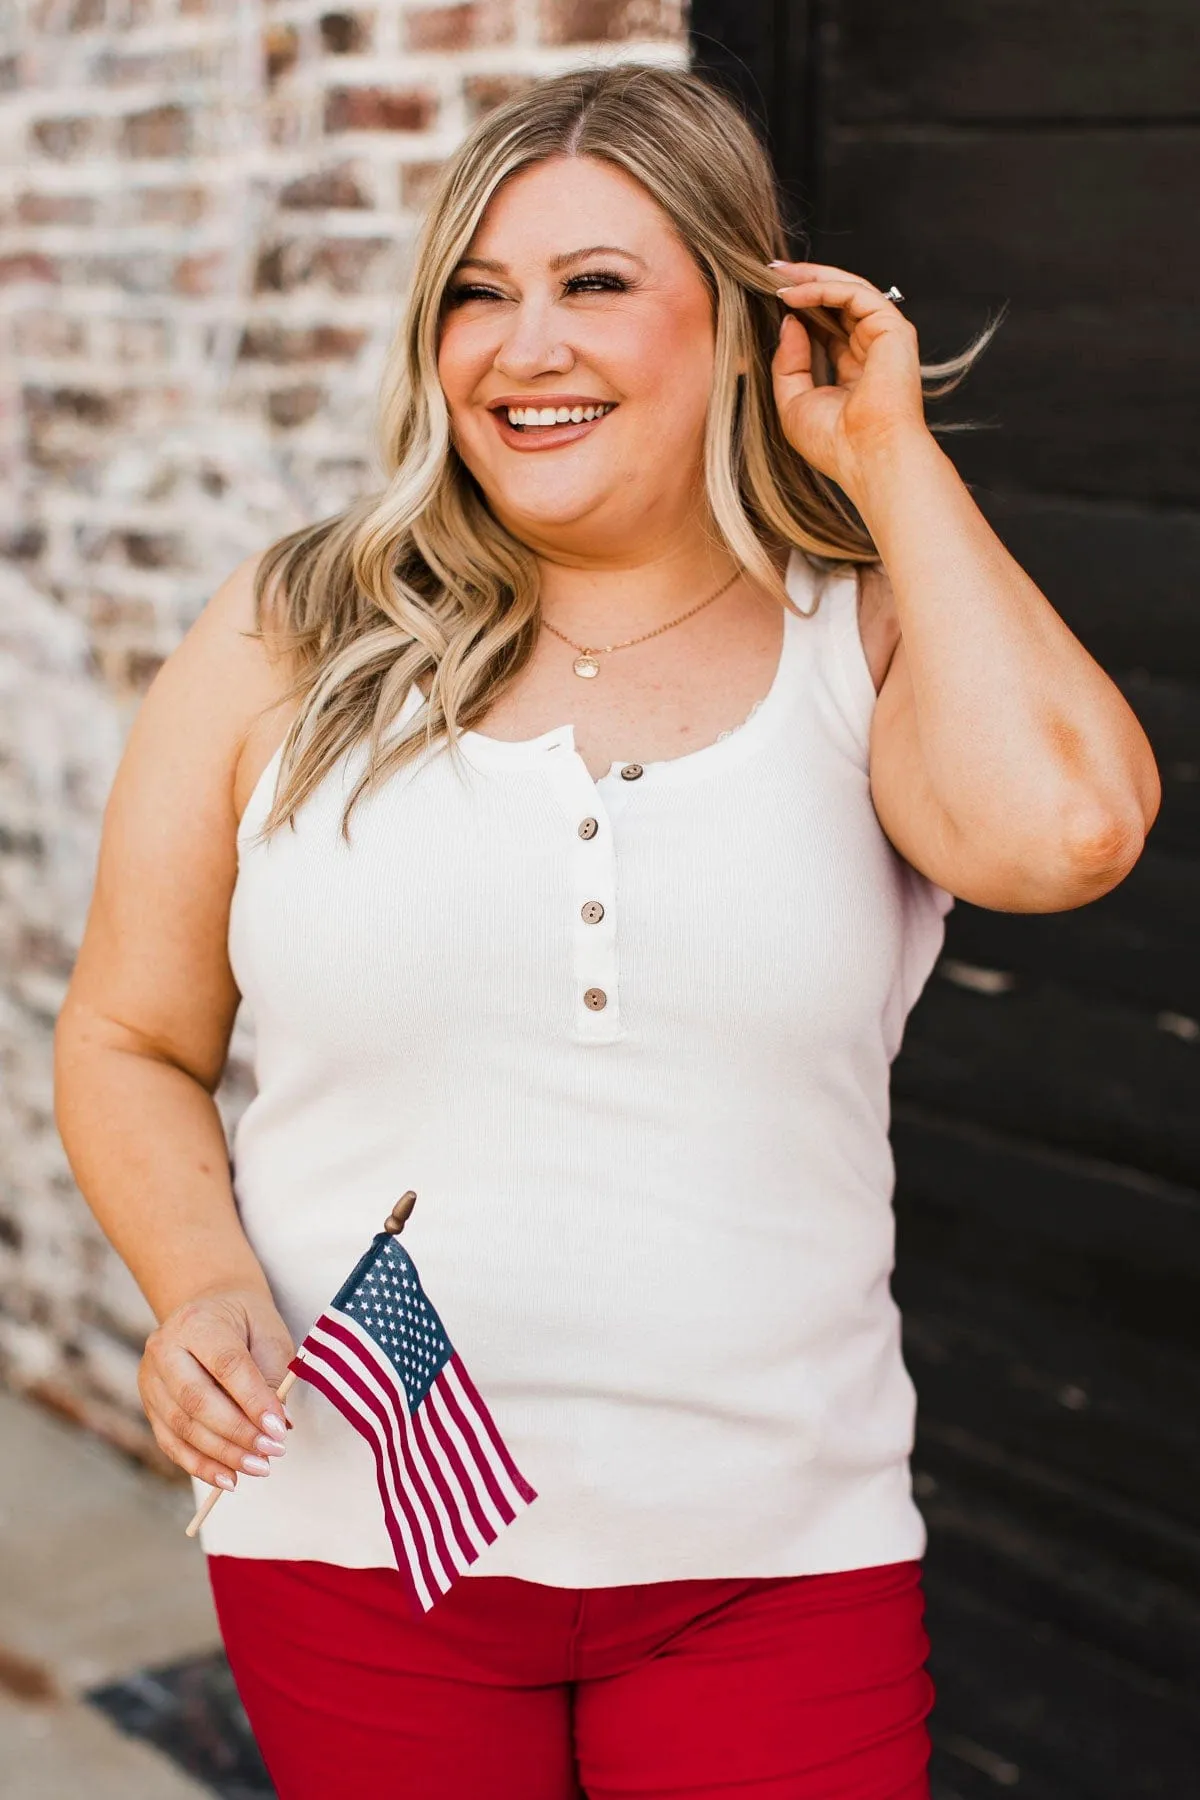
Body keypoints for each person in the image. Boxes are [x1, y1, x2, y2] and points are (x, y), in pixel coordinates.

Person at [53, 62, 1159, 1800]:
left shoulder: (855, 642)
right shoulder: (293, 630)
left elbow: (1071, 830)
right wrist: (197, 1283)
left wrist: (885, 456)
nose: (522, 345)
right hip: (358, 1544)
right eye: (476, 295)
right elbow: (131, 1034)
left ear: (738, 322)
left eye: (594, 285)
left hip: (772, 1564)